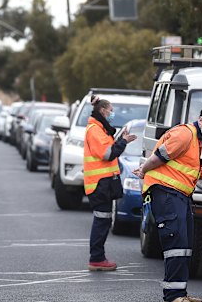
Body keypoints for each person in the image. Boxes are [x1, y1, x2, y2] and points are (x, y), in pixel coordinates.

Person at [133, 107, 202, 302]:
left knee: (184, 245)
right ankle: (173, 296)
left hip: (180, 196)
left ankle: (179, 294)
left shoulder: (200, 141)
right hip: (167, 193)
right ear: (200, 120)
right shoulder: (185, 134)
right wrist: (143, 170)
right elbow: (159, 155)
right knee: (175, 243)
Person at [84, 95, 136, 271]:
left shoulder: (100, 129)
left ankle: (98, 257)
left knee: (103, 221)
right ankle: (97, 259)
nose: (112, 113)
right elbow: (108, 154)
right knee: (101, 221)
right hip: (99, 184)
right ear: (103, 111)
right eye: (111, 110)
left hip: (103, 183)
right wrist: (123, 142)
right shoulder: (95, 130)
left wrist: (121, 140)